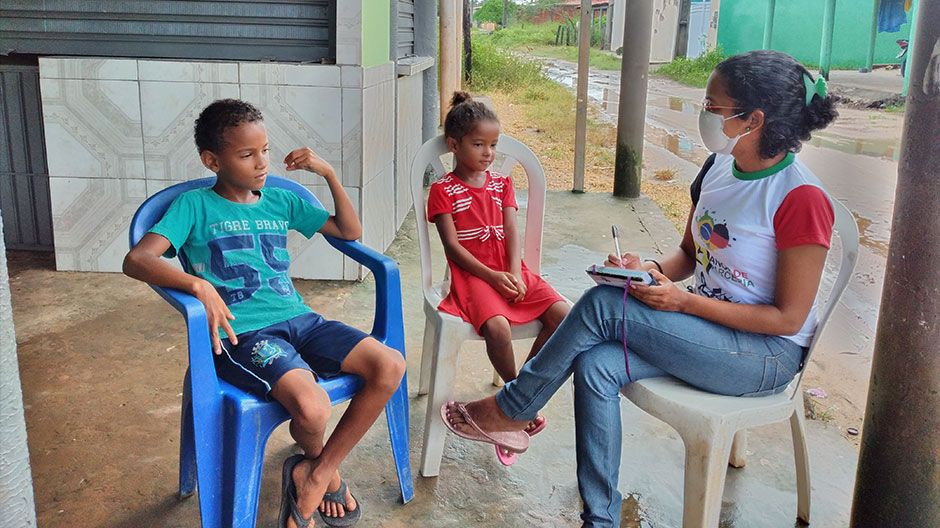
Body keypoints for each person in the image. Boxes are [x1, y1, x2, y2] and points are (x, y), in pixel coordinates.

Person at [440, 50, 839, 527]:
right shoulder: (717, 168)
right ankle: (600, 519)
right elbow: (689, 257)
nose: (705, 115)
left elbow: (788, 319)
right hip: (705, 331)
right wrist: (646, 268)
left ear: (752, 120)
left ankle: (514, 407)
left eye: (713, 107)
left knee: (605, 307)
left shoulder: (800, 198)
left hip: (763, 355)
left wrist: (683, 301)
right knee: (595, 362)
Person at [123, 99, 405, 528]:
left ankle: (315, 473)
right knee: (312, 410)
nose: (261, 163)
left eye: (266, 150)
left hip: (301, 321)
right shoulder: (194, 207)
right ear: (212, 160)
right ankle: (317, 472)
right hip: (245, 336)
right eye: (246, 154)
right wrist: (198, 285)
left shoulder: (279, 200)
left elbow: (350, 232)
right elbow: (138, 260)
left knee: (389, 365)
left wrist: (327, 173)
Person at [427, 92, 571, 463]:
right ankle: (516, 401)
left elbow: (511, 230)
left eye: (493, 145)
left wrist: (511, 270)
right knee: (498, 328)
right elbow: (453, 248)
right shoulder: (444, 190)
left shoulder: (500, 183)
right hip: (474, 274)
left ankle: (522, 394)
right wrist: (492, 276)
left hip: (509, 268)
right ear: (454, 145)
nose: (488, 153)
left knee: (564, 315)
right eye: (479, 144)